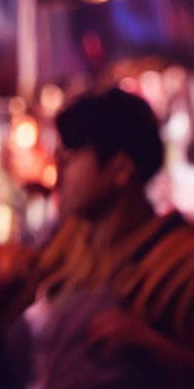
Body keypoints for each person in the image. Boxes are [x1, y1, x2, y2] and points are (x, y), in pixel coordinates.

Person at [19, 88, 194, 387]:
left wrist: (150, 344)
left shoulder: (180, 262)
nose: (57, 173)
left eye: (69, 160)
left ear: (120, 169)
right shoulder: (73, 241)